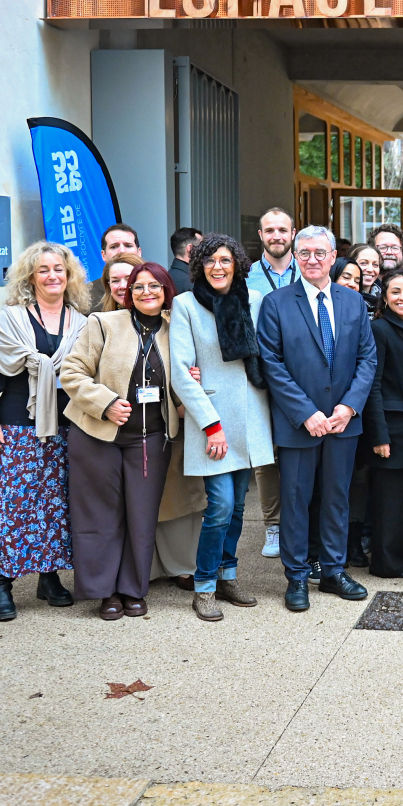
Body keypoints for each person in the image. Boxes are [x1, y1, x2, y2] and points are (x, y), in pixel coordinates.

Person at [257, 225, 377, 609]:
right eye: (304, 253)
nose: (312, 260)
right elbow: (271, 363)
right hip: (298, 424)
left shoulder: (353, 302)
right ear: (295, 255)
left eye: (319, 253)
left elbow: (367, 358)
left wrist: (348, 407)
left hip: (344, 422)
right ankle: (296, 577)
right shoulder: (276, 303)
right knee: (295, 499)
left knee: (337, 499)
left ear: (332, 257)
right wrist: (306, 412)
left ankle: (333, 571)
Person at [0, 240, 90, 622]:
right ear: (31, 277)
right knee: (15, 504)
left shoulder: (82, 322)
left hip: (67, 424)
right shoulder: (11, 318)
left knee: (56, 504)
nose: (52, 275)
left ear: (69, 275)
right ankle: (3, 584)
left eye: (58, 269)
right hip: (17, 423)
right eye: (44, 270)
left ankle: (48, 577)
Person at [60, 262, 179, 620]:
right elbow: (71, 371)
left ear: (166, 291)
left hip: (151, 439)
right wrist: (106, 403)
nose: (146, 293)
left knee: (141, 518)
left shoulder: (177, 329)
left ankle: (132, 590)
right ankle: (105, 592)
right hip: (97, 435)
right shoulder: (103, 324)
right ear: (126, 291)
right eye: (138, 286)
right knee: (100, 516)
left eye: (154, 286)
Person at [170, 235, 275, 621]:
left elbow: (268, 356)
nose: (218, 266)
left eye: (226, 260)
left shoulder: (255, 301)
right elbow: (181, 372)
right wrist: (211, 425)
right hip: (212, 419)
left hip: (249, 415)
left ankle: (227, 576)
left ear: (237, 265)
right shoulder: (185, 305)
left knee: (238, 508)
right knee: (221, 507)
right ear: (199, 264)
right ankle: (204, 585)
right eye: (210, 260)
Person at [364, 268, 403, 579]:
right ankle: (386, 564)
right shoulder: (379, 330)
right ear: (384, 297)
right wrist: (379, 435)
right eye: (396, 292)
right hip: (389, 427)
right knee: (390, 502)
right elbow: (372, 385)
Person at [246, 207, 297, 561]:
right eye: (270, 230)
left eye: (282, 229)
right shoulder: (246, 277)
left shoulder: (309, 272)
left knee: (298, 451)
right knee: (265, 455)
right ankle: (273, 525)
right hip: (260, 377)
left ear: (292, 233)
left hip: (302, 377)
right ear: (261, 235)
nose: (276, 235)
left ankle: (299, 522)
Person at [90, 223, 142, 308]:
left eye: (128, 246)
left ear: (139, 252)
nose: (122, 251)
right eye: (114, 247)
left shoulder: (158, 285)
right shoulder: (88, 295)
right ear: (103, 255)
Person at [168, 227, 202, 295]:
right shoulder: (193, 284)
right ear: (190, 248)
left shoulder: (165, 278)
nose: (205, 251)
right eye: (202, 246)